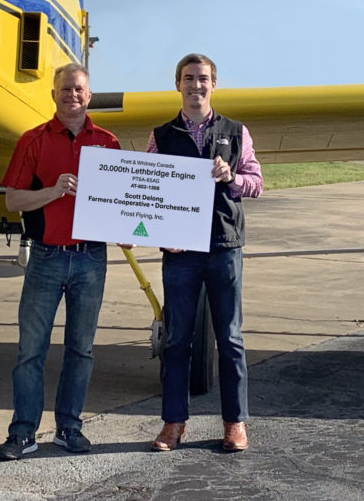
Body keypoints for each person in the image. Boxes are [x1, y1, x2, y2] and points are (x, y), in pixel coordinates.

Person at [0, 63, 120, 460]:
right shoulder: (33, 141)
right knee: (31, 349)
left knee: (81, 349)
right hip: (47, 257)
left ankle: (69, 427)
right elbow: (13, 199)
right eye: (65, 89)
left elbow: (123, 201)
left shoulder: (108, 142)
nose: (72, 95)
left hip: (90, 259)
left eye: (79, 90)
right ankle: (23, 432)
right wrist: (52, 191)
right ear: (53, 95)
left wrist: (134, 228)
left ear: (89, 95)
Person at [147, 53, 263, 453]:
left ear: (214, 84)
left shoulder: (236, 131)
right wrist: (143, 228)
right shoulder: (161, 136)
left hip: (223, 247)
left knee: (230, 338)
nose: (196, 85)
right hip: (180, 252)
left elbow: (256, 183)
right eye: (189, 78)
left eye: (203, 79)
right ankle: (173, 423)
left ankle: (235, 423)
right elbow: (148, 191)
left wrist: (231, 177)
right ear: (177, 84)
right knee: (177, 339)